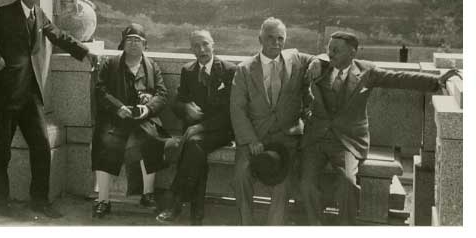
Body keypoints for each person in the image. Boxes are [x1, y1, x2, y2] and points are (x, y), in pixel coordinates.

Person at [0, 0, 96, 218]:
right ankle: (0, 203)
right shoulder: (3, 14)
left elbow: (59, 36)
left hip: (31, 94)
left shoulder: (40, 15)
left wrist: (85, 53)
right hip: (4, 94)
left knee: (42, 148)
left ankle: (40, 201)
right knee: (2, 149)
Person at [300, 31, 461, 225]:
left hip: (347, 142)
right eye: (329, 49)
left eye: (337, 50)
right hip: (316, 139)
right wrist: (317, 58)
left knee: (347, 184)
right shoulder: (322, 66)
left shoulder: (367, 72)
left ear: (353, 53)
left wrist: (436, 82)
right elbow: (297, 56)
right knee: (306, 184)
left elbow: (399, 77)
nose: (331, 54)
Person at [230, 17, 314, 225]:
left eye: (280, 38)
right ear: (260, 38)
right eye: (270, 38)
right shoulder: (244, 69)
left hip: (285, 138)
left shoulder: (295, 59)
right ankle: (246, 224)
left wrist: (318, 65)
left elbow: (321, 57)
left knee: (283, 185)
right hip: (255, 138)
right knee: (241, 177)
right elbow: (237, 109)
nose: (276, 43)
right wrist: (251, 140)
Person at [156, 30, 237, 225]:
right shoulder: (188, 71)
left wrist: (199, 127)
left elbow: (231, 112)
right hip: (196, 134)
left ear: (213, 44)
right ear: (191, 49)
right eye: (196, 46)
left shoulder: (229, 70)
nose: (201, 49)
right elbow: (178, 102)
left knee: (193, 143)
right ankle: (196, 214)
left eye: (205, 44)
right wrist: (185, 107)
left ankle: (176, 200)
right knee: (195, 148)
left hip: (222, 130)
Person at [91, 23, 168, 218]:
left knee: (152, 140)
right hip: (116, 118)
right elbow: (100, 91)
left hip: (143, 118)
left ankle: (147, 194)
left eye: (138, 40)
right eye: (129, 40)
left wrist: (147, 107)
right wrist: (118, 107)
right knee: (104, 143)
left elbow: (162, 94)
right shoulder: (111, 64)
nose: (134, 44)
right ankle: (103, 200)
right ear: (123, 44)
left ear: (145, 45)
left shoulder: (152, 67)